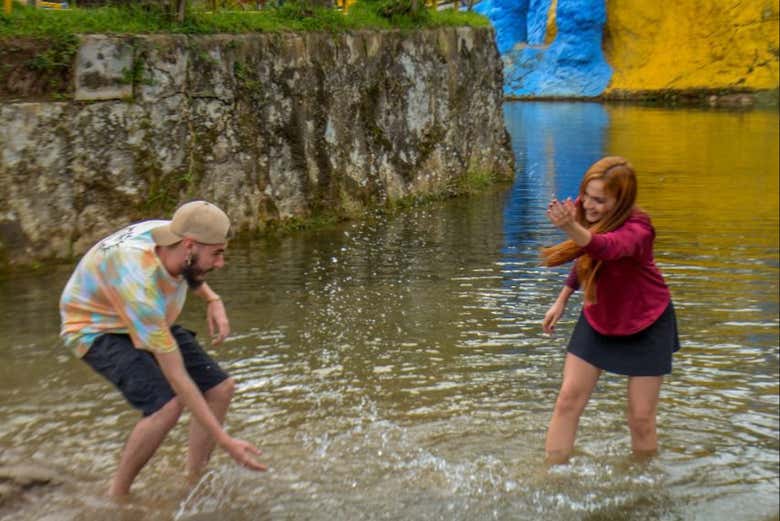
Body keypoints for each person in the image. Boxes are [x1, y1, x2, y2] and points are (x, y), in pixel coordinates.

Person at [59, 200, 267, 497]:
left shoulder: (171, 234)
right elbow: (178, 377)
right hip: (95, 328)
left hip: (145, 314)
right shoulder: (139, 283)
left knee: (221, 388)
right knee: (165, 406)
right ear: (190, 245)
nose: (221, 263)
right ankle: (116, 496)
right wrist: (225, 440)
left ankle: (195, 479)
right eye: (217, 254)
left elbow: (189, 269)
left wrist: (212, 299)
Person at [540, 156, 680, 464]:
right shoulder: (587, 210)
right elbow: (586, 257)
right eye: (585, 195)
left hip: (648, 322)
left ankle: (642, 485)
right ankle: (552, 476)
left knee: (640, 418)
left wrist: (570, 226)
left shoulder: (639, 229)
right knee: (567, 401)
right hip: (599, 316)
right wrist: (562, 298)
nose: (588, 205)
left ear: (621, 201)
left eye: (599, 200)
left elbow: (605, 248)